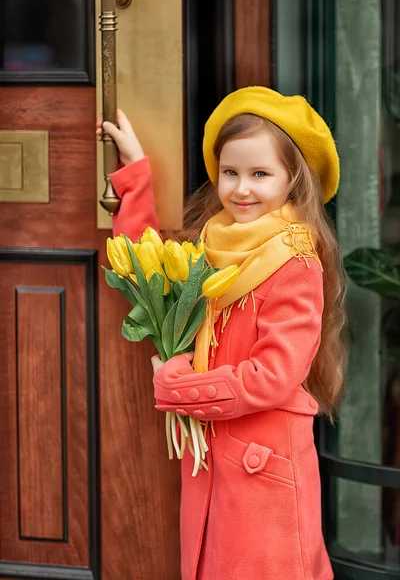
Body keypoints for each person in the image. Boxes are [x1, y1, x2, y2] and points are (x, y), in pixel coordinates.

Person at [96, 86, 347, 580]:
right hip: (213, 462)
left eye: (260, 174)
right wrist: (135, 175)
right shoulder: (215, 239)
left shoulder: (295, 261)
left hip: (263, 469)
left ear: (292, 182)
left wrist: (179, 388)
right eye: (230, 173)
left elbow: (273, 376)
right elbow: (152, 273)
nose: (241, 189)